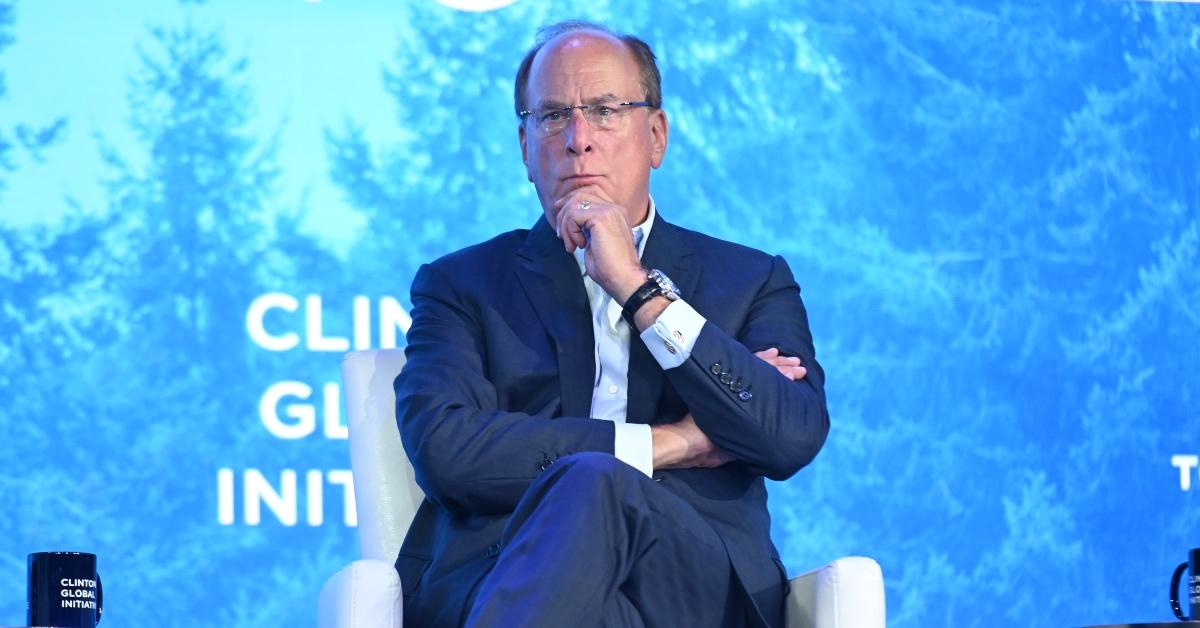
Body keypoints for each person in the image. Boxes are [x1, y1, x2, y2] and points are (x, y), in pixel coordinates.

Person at [393, 20, 829, 628]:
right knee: (591, 497)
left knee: (595, 482)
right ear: (524, 148)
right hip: (509, 574)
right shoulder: (461, 286)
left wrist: (635, 287)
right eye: (551, 116)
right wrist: (669, 442)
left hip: (690, 581)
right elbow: (448, 451)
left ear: (656, 135)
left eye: (604, 111)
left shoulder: (750, 279)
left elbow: (790, 434)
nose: (577, 140)